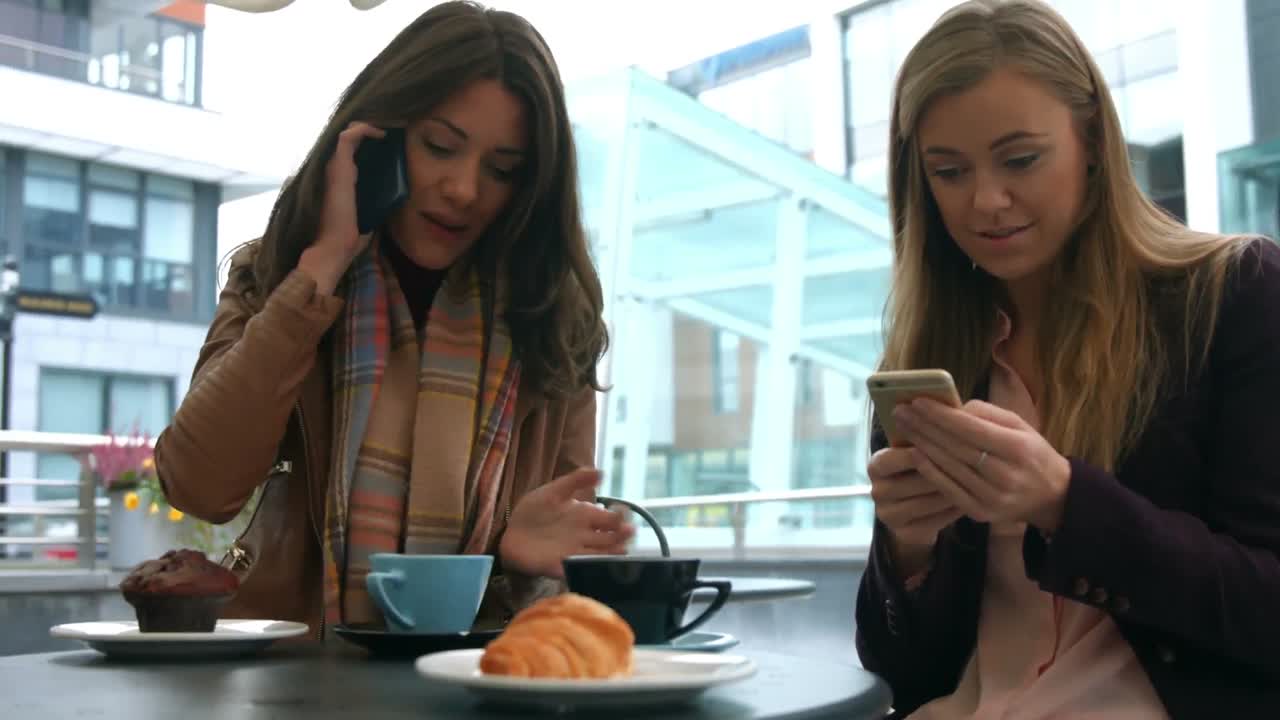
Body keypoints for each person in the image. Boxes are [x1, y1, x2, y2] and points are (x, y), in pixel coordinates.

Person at [154, 0, 634, 638]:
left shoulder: (552, 320)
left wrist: (517, 557)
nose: (463, 188)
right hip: (296, 688)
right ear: (380, 135)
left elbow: (553, 582)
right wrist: (318, 273)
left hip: (473, 687)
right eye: (441, 146)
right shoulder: (278, 281)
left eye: (502, 170)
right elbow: (197, 484)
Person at [855, 0, 1280, 717]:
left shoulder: (1233, 295)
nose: (987, 200)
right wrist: (909, 551)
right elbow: (901, 669)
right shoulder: (932, 360)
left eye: (1020, 159)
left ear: (1091, 139)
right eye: (949, 171)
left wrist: (1065, 502)